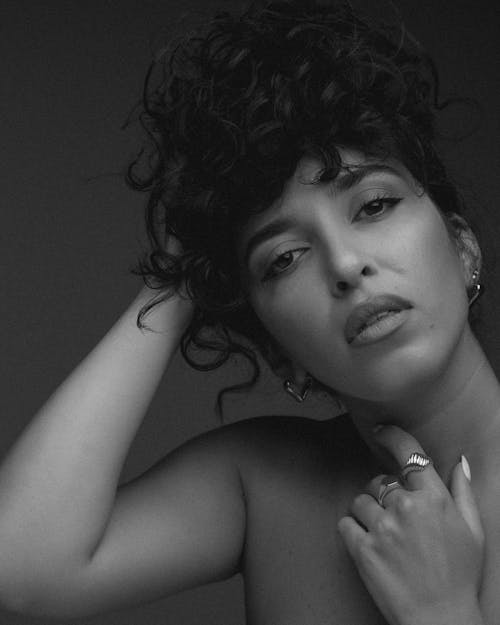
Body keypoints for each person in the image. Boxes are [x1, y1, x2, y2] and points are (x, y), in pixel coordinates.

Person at [0, 1, 495, 623]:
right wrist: (179, 278)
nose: (344, 265)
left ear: (462, 247)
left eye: (373, 206)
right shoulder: (262, 483)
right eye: (284, 258)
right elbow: (20, 568)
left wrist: (440, 610)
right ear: (275, 341)